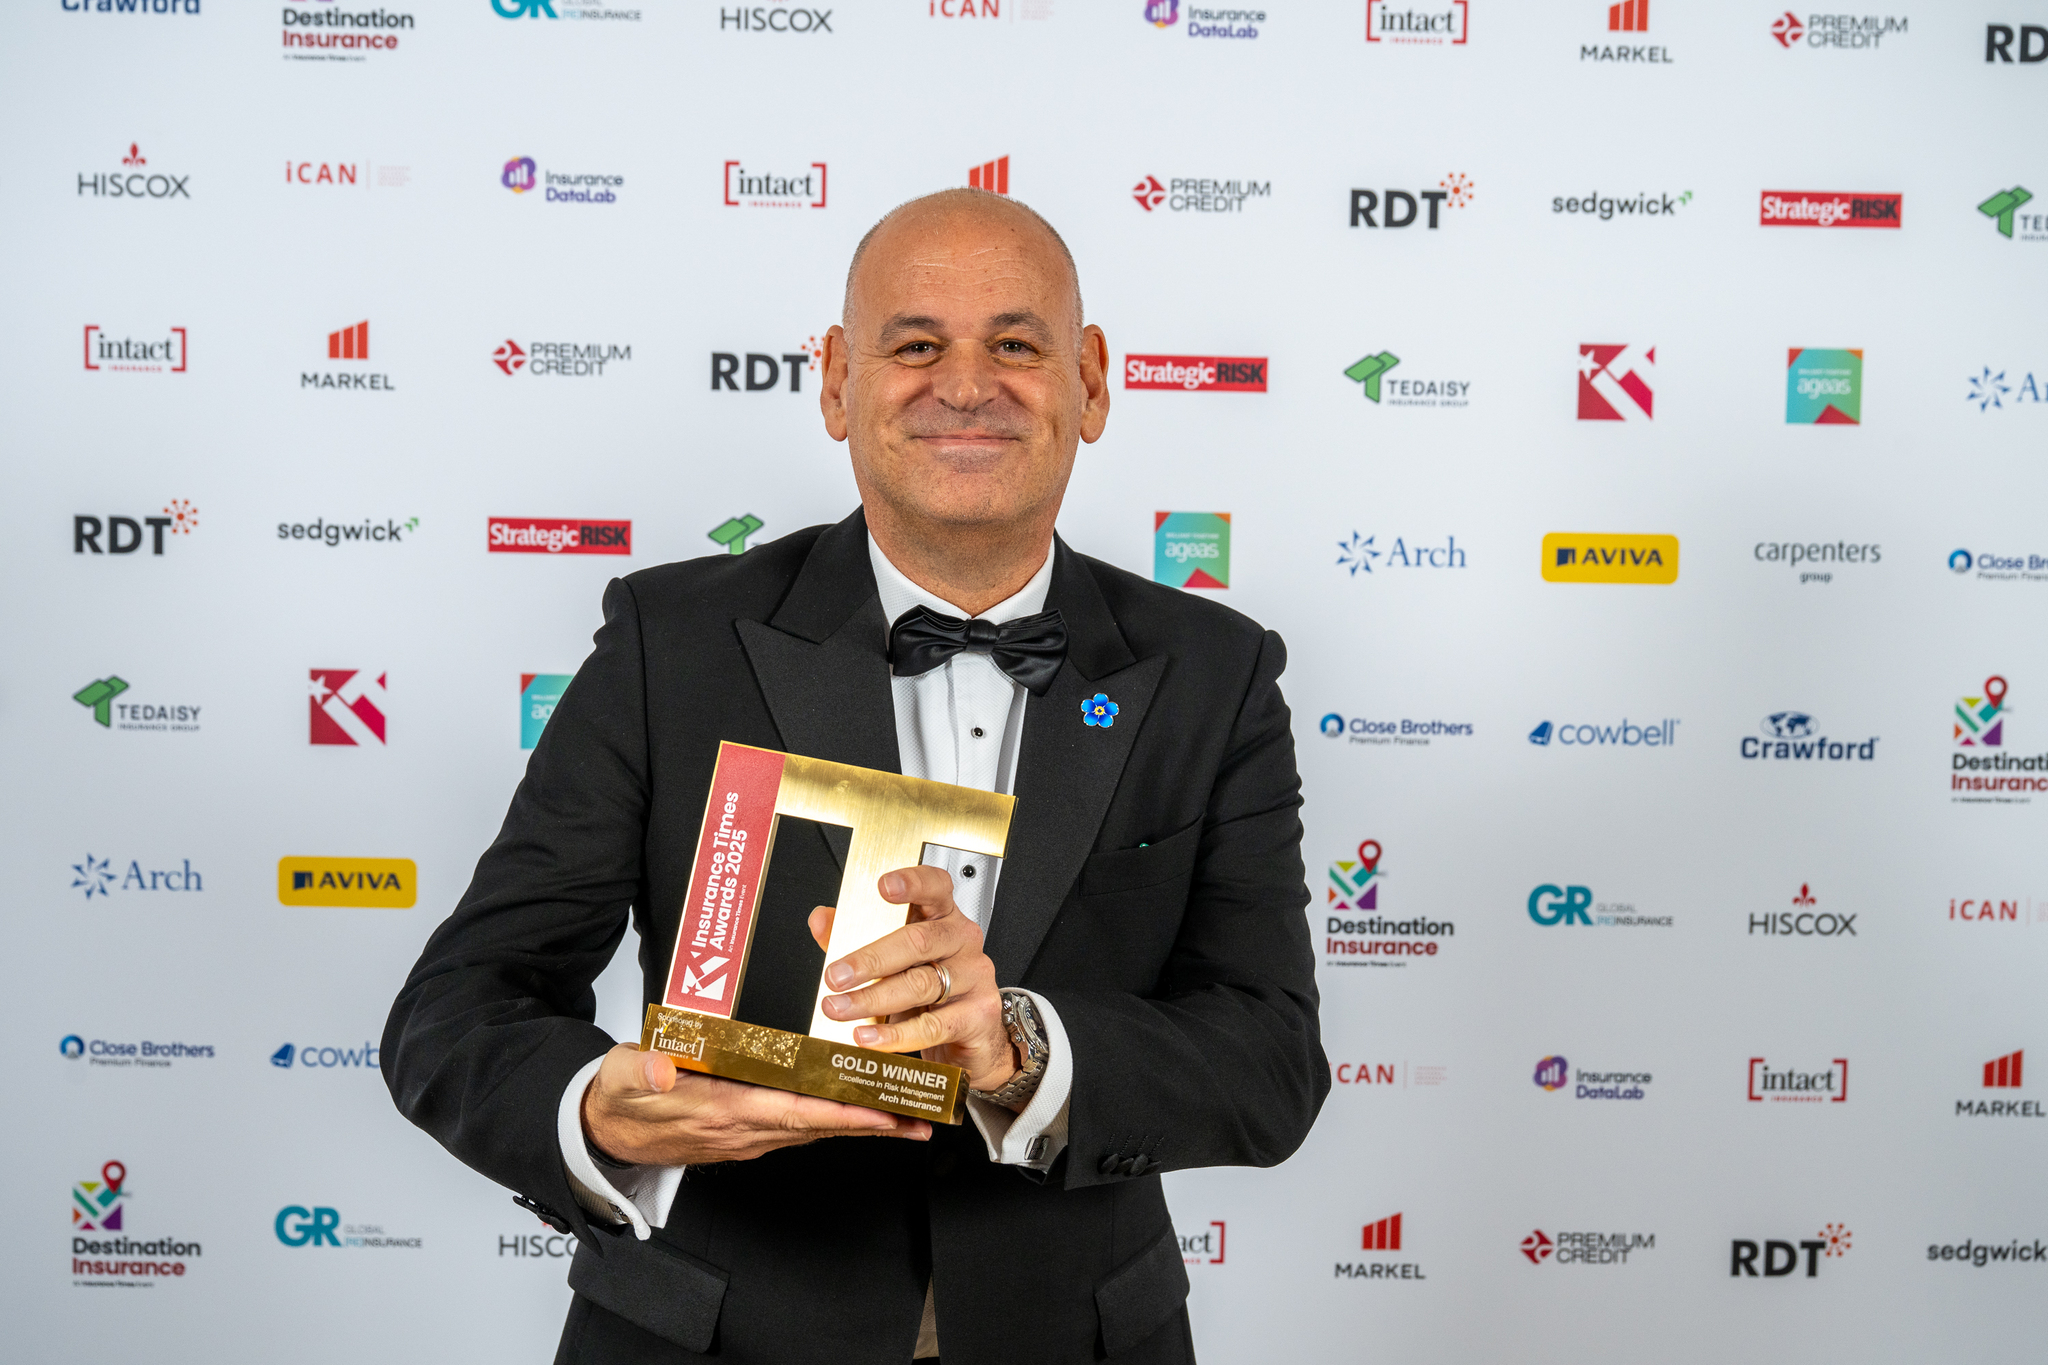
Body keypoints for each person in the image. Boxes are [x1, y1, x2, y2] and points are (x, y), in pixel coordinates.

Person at [383, 188, 1326, 1365]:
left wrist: (1018, 1047)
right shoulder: (669, 644)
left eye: (1015, 346)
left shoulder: (1213, 672)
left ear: (1089, 382)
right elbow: (458, 1012)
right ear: (836, 382)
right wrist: (595, 1110)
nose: (966, 386)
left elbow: (1268, 1062)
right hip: (707, 1337)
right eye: (915, 345)